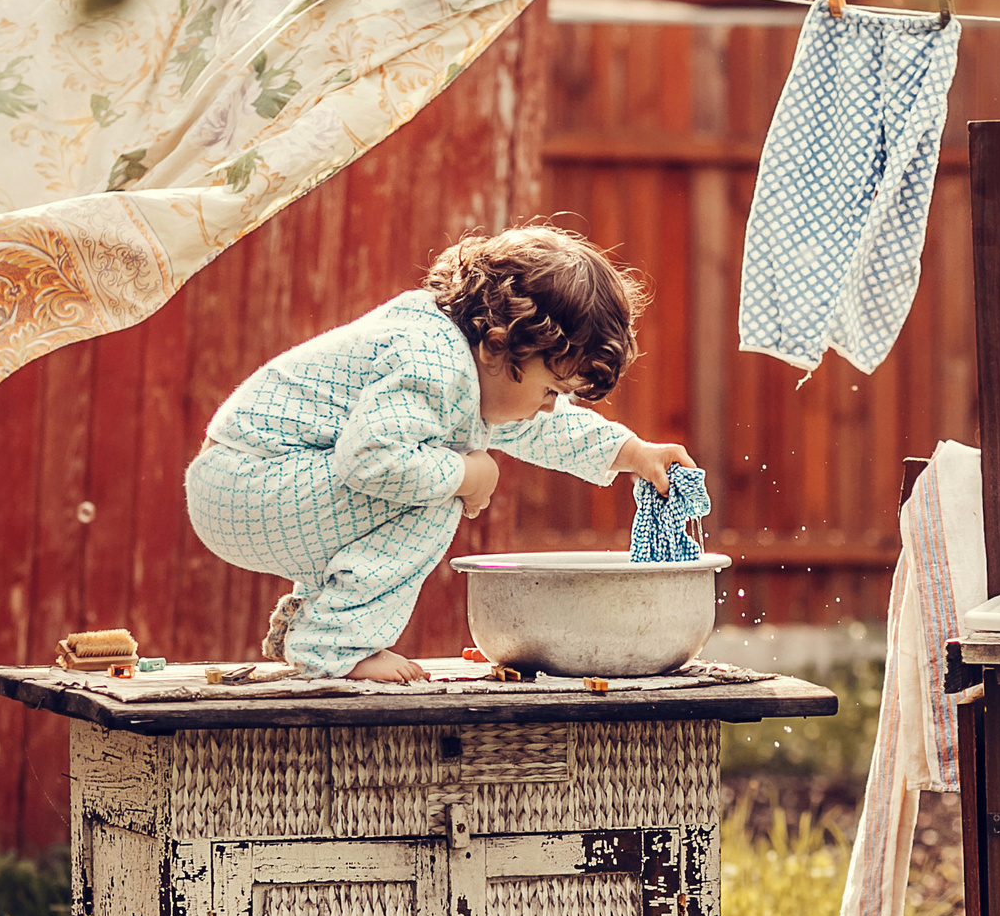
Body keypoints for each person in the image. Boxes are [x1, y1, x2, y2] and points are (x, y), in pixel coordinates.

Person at [186, 224, 695, 682]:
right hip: (249, 482)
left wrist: (631, 452)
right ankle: (335, 645)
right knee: (434, 489)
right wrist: (469, 475)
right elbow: (371, 460)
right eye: (550, 390)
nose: (548, 407)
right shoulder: (432, 361)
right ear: (501, 344)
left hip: (249, 484)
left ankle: (314, 627)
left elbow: (544, 430)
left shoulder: (469, 361)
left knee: (431, 470)